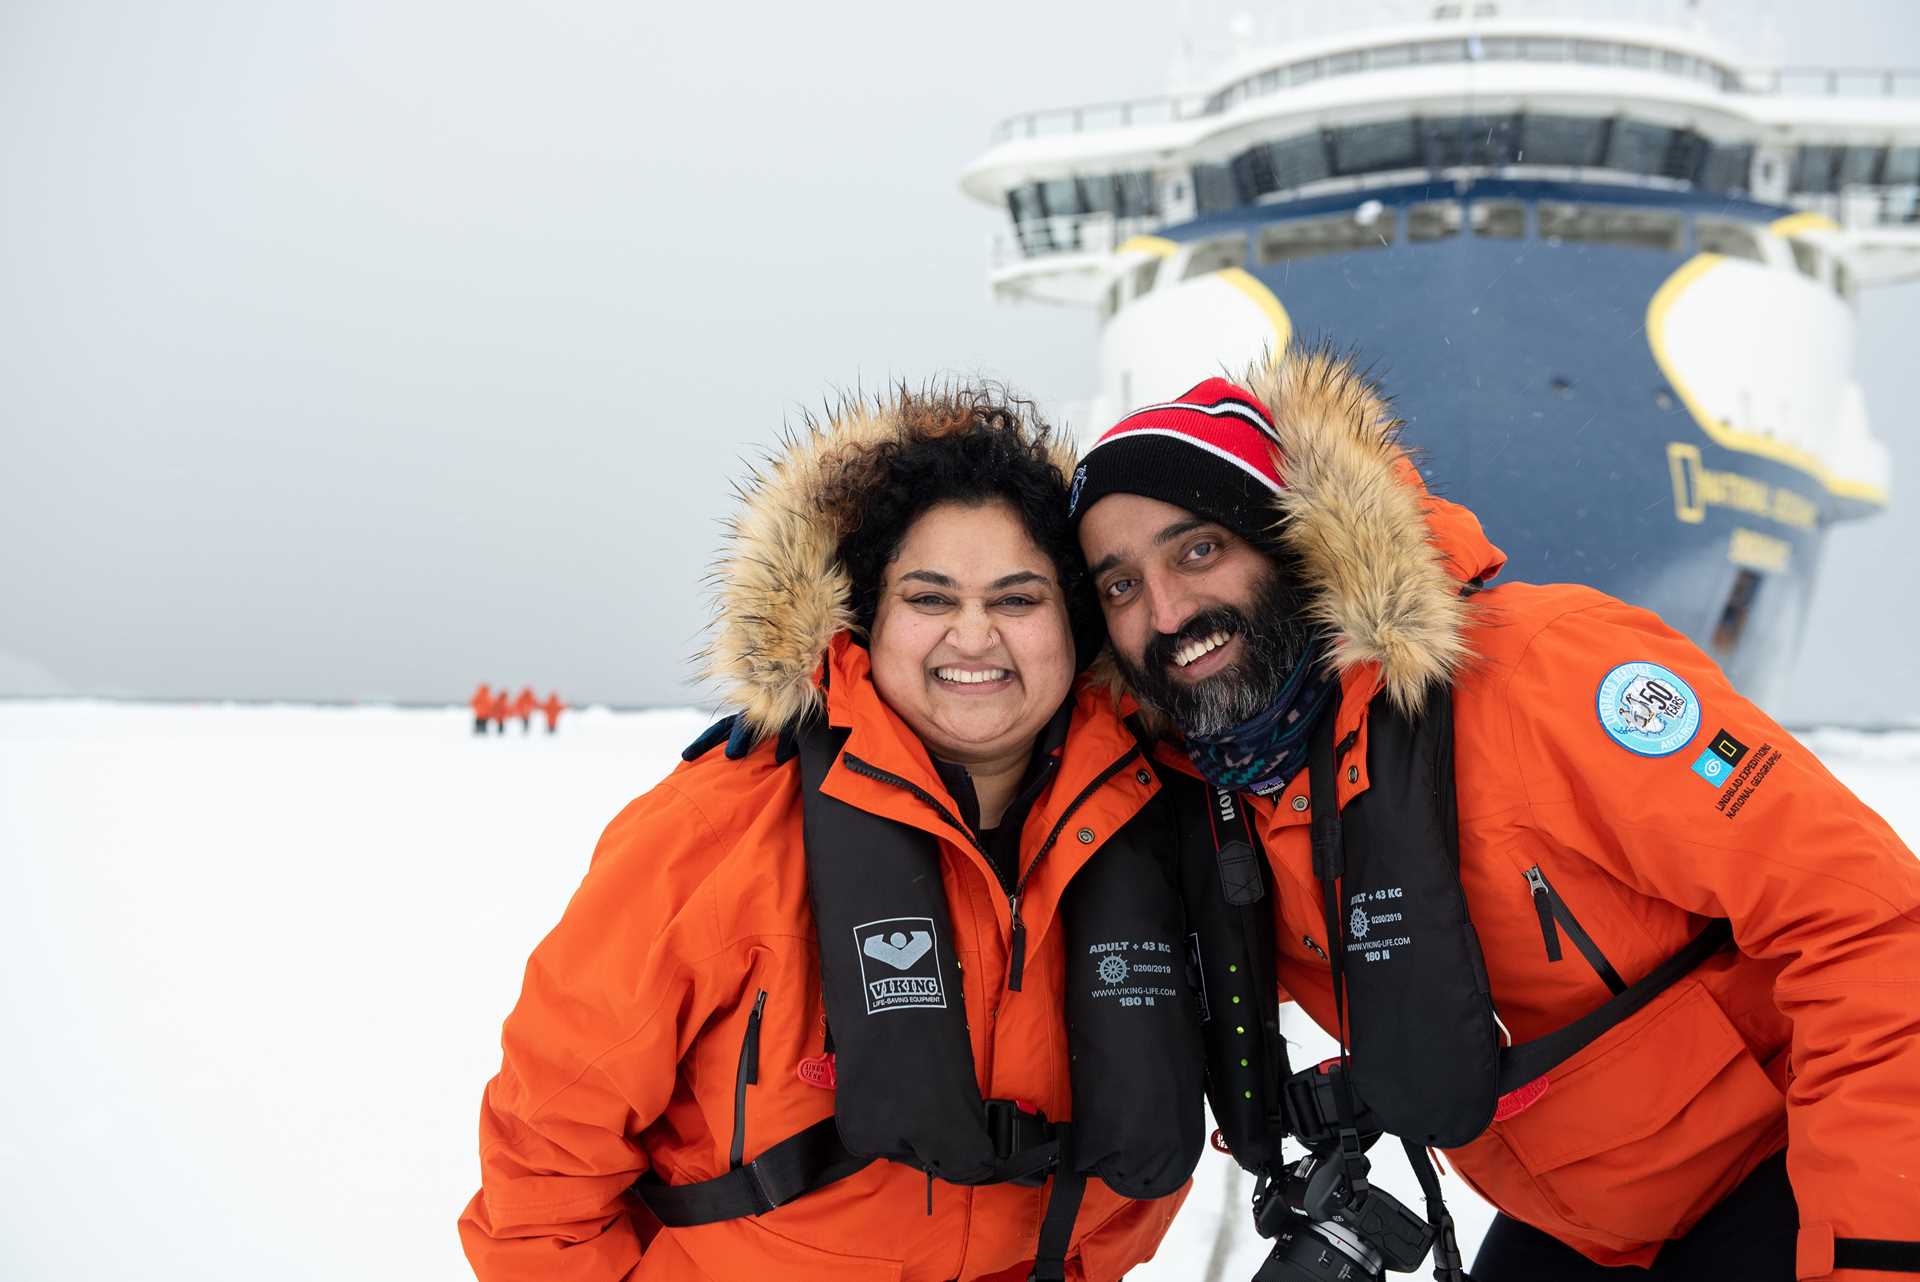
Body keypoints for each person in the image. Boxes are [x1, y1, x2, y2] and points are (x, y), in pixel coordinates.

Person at [1068, 347, 1920, 1282]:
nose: (1168, 610)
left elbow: (1871, 928)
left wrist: (1874, 1249)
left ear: (1293, 541)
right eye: (1119, 586)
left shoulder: (1545, 677)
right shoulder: (1229, 797)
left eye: (1199, 550)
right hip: (1592, 1225)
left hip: (1794, 1169)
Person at [459, 386, 1202, 1281]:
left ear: (1073, 626)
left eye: (1017, 598)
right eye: (929, 598)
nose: (974, 636)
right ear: (866, 621)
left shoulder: (1162, 823)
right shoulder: (714, 832)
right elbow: (542, 1169)